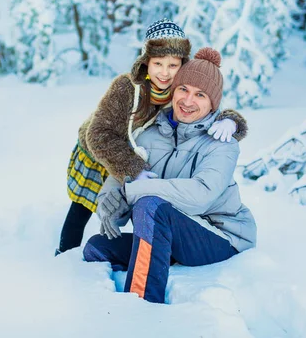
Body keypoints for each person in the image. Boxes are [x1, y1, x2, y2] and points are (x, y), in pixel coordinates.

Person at [56, 19, 247, 255]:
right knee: (84, 206)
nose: (165, 73)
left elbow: (205, 102)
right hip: (102, 152)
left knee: (123, 201)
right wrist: (133, 168)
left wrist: (232, 121)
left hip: (139, 153)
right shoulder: (128, 87)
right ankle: (65, 255)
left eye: (173, 65)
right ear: (146, 62)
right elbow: (98, 134)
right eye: (158, 63)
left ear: (183, 65)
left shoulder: (179, 89)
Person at [82, 47, 257, 304]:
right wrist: (110, 203)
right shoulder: (149, 135)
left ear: (213, 104)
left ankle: (141, 304)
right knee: (98, 246)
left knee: (150, 205)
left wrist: (132, 192)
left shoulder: (222, 142)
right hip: (175, 233)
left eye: (200, 95)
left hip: (222, 237)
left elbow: (201, 195)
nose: (188, 100)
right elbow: (122, 177)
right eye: (183, 89)